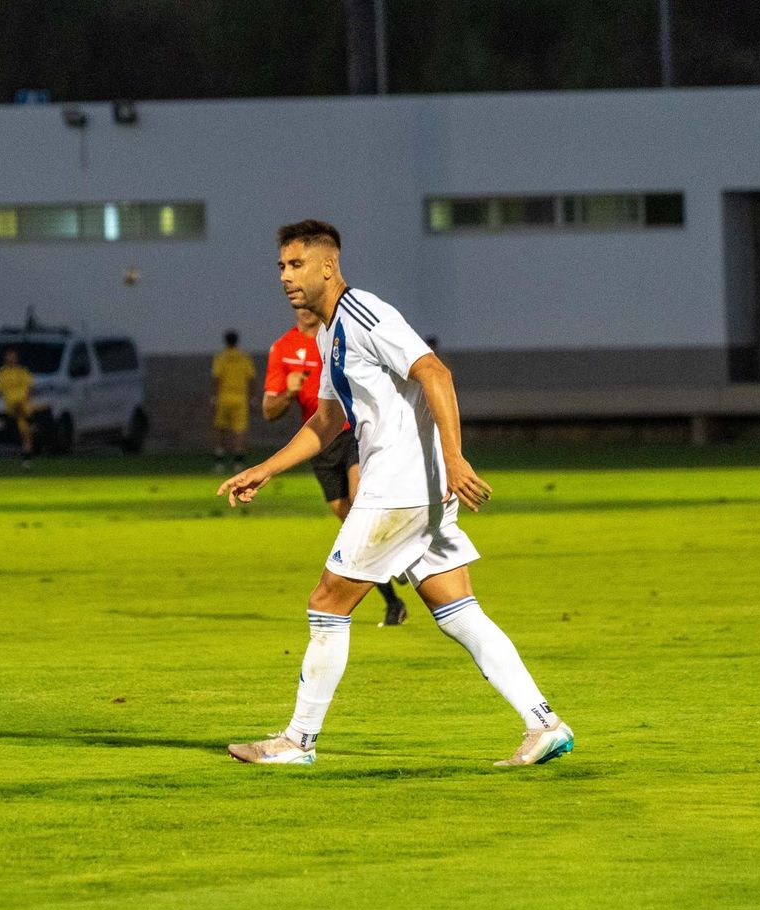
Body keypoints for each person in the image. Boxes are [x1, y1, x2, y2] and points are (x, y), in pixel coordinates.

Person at [219, 219, 574, 768]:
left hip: (399, 488)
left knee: (327, 601)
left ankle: (298, 740)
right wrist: (266, 467)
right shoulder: (326, 331)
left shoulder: (364, 313)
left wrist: (455, 458)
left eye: (296, 265)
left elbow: (435, 372)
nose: (286, 278)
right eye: (281, 267)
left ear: (328, 266)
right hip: (419, 489)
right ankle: (543, 722)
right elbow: (329, 417)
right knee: (457, 609)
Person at [263, 306, 409, 626]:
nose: (302, 309)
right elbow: (268, 409)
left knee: (361, 504)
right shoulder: (282, 349)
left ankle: (396, 553)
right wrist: (288, 392)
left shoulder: (340, 337)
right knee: (352, 528)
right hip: (319, 442)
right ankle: (394, 600)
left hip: (353, 433)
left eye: (307, 302)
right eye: (296, 304)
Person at [211, 330, 254, 473]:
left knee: (221, 429)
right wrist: (252, 397)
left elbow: (217, 378)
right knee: (239, 430)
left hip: (223, 398)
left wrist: (214, 397)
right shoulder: (244, 358)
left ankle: (220, 462)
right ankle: (238, 463)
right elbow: (251, 378)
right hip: (240, 398)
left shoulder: (221, 358)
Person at [0, 347, 36, 467]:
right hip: (12, 407)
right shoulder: (1, 373)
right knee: (24, 430)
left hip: (24, 406)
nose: (11, 358)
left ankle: (27, 456)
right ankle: (27, 455)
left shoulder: (22, 372)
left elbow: (30, 388)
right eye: (8, 356)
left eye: (13, 355)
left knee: (24, 430)